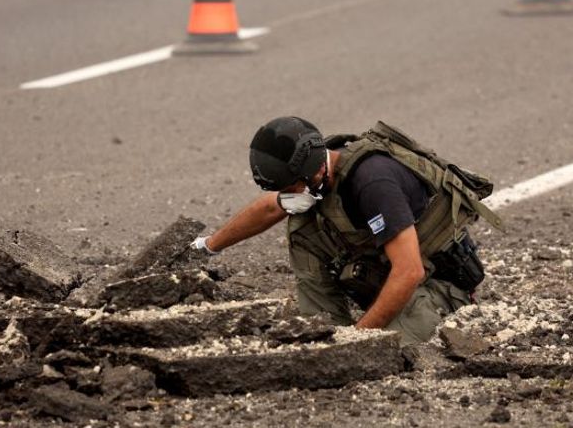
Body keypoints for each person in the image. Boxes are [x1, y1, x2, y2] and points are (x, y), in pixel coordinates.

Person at [190, 116, 502, 346]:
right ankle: (324, 324)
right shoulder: (316, 176)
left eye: (292, 188)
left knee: (389, 350)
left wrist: (355, 340)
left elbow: (409, 271)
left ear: (316, 170)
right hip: (388, 272)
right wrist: (206, 247)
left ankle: (356, 333)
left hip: (437, 284)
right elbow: (270, 207)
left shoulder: (373, 182)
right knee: (302, 226)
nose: (289, 195)